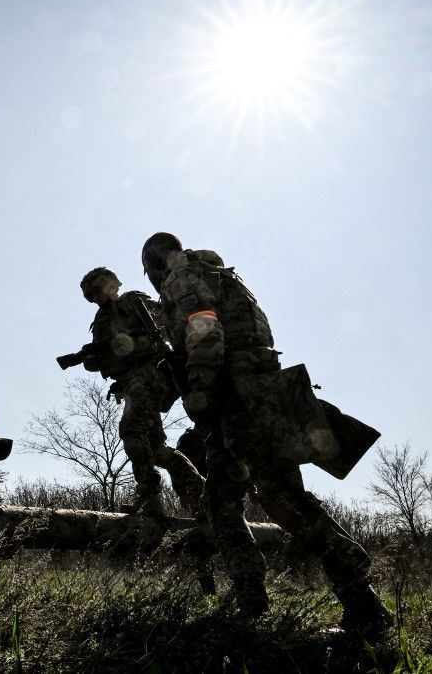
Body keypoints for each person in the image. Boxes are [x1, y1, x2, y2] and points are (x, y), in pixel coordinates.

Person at [141, 231, 392, 635]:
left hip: (239, 404)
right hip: (254, 398)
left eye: (147, 272)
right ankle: (252, 603)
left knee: (282, 499)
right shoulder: (222, 275)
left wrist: (200, 390)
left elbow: (205, 329)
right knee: (221, 503)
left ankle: (361, 600)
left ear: (155, 263)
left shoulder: (181, 275)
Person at [77, 267, 204, 520]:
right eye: (91, 296)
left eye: (98, 290)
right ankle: (199, 486)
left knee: (132, 430)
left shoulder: (135, 302)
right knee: (156, 448)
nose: (97, 298)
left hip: (150, 376)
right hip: (131, 383)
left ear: (112, 285)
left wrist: (130, 347)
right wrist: (95, 358)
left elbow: (164, 334)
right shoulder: (102, 320)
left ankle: (148, 493)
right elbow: (107, 360)